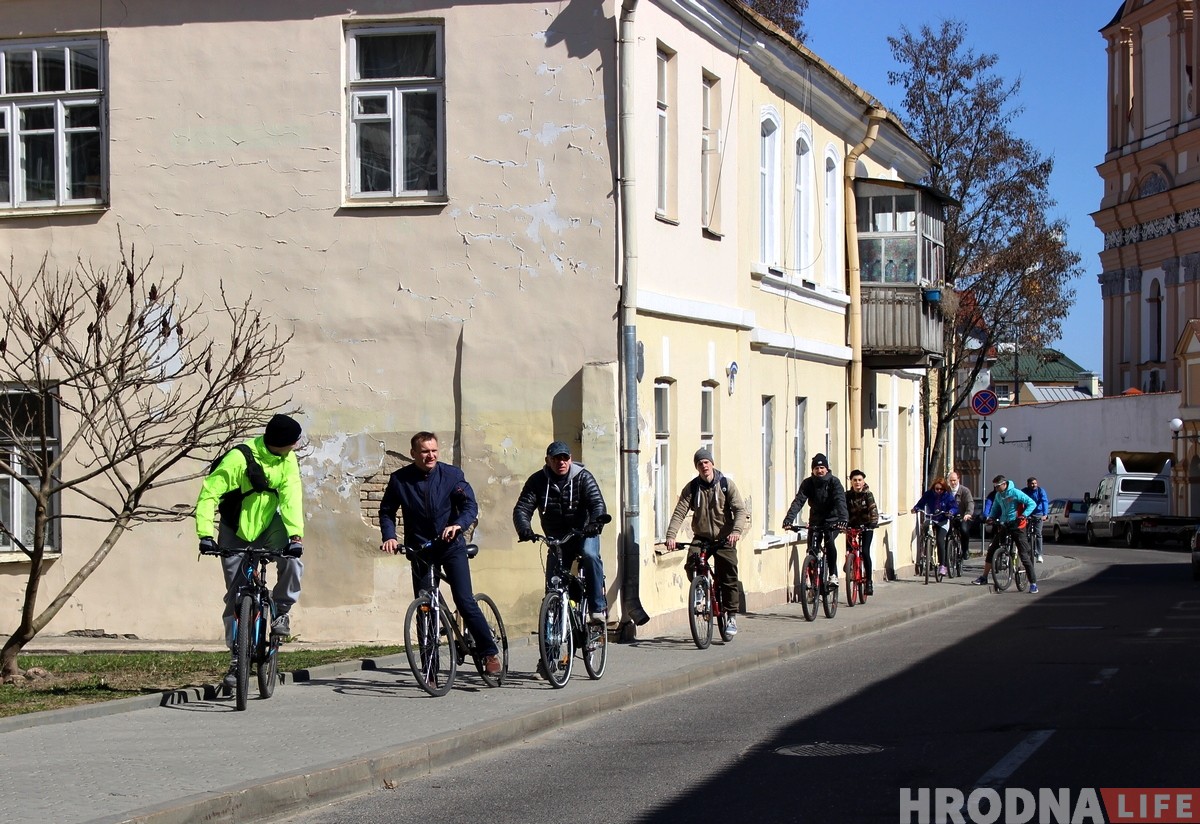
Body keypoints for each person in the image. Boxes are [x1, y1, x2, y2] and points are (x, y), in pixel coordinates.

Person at [196, 413, 306, 689]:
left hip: (270, 525)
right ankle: (236, 659)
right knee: (235, 596)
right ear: (282, 442)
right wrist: (205, 534)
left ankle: (281, 610)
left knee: (292, 562)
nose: (295, 446)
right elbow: (209, 492)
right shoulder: (239, 458)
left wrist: (295, 536)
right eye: (293, 442)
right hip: (235, 528)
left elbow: (292, 497)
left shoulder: (288, 459)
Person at [379, 432, 501, 675]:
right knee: (426, 611)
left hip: (450, 546)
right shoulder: (400, 480)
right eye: (425, 451)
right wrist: (389, 536)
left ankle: (489, 652)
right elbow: (387, 511)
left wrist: (458, 525)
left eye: (434, 450)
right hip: (420, 551)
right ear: (413, 453)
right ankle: (430, 671)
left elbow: (469, 505)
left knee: (464, 601)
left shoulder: (451, 475)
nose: (430, 455)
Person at [513, 440, 609, 623]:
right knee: (553, 583)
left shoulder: (583, 477)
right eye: (556, 459)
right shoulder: (538, 481)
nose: (561, 462)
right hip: (556, 537)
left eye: (565, 458)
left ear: (570, 459)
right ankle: (553, 625)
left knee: (590, 555)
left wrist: (595, 523)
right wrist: (524, 529)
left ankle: (596, 608)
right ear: (548, 460)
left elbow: (597, 503)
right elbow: (522, 508)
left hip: (584, 532)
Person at [664, 449, 750, 635]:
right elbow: (680, 512)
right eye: (700, 463)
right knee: (691, 562)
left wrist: (736, 532)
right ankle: (701, 589)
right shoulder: (692, 488)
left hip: (725, 537)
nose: (704, 466)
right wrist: (671, 536)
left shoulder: (726, 485)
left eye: (706, 462)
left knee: (728, 575)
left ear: (712, 464)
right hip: (702, 537)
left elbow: (740, 511)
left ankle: (732, 617)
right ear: (697, 467)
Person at [782, 453, 848, 586]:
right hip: (816, 519)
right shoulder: (808, 483)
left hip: (833, 519)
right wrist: (789, 519)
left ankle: (833, 575)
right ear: (813, 470)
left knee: (829, 541)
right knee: (812, 547)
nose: (819, 471)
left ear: (827, 469)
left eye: (822, 467)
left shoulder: (834, 482)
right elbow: (799, 501)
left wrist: (843, 519)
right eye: (816, 468)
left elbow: (840, 500)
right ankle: (813, 583)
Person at [974, 475, 1039, 593]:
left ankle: (1033, 583)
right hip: (1005, 525)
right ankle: (984, 577)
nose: (996, 488)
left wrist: (1024, 515)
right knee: (992, 549)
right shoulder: (998, 495)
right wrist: (991, 517)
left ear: (1004, 484)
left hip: (1018, 526)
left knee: (1024, 555)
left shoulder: (1015, 492)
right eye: (995, 486)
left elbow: (1032, 503)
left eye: (998, 486)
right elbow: (995, 508)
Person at [911, 478, 958, 577]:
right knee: (925, 529)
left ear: (944, 489)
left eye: (941, 489)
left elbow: (954, 507)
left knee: (940, 541)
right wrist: (916, 508)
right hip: (931, 518)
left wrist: (951, 512)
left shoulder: (948, 496)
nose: (939, 491)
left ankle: (942, 566)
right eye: (937, 489)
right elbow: (921, 503)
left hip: (943, 520)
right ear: (934, 488)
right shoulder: (929, 494)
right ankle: (925, 547)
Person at [845, 469, 880, 596]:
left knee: (865, 551)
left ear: (863, 481)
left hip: (867, 526)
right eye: (854, 480)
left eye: (859, 480)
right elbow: (842, 509)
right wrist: (842, 522)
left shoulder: (868, 494)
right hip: (852, 526)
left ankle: (869, 581)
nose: (857, 482)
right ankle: (849, 563)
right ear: (851, 481)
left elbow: (873, 510)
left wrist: (873, 522)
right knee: (849, 549)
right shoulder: (847, 495)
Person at [947, 470, 975, 558]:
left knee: (964, 530)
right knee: (945, 533)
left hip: (963, 516)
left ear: (958, 479)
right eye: (951, 480)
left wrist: (968, 513)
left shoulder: (964, 491)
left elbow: (970, 503)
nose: (953, 482)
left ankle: (965, 550)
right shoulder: (946, 491)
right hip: (950, 517)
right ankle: (946, 555)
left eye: (954, 480)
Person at [1022, 476, 1050, 563]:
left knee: (1038, 533)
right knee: (1025, 534)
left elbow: (1044, 502)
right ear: (1028, 484)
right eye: (1032, 483)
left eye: (1035, 483)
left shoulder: (1040, 491)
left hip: (1039, 514)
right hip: (1027, 514)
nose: (1034, 485)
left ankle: (1039, 554)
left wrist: (1045, 514)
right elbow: (1019, 501)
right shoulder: (1024, 491)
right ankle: (1027, 551)